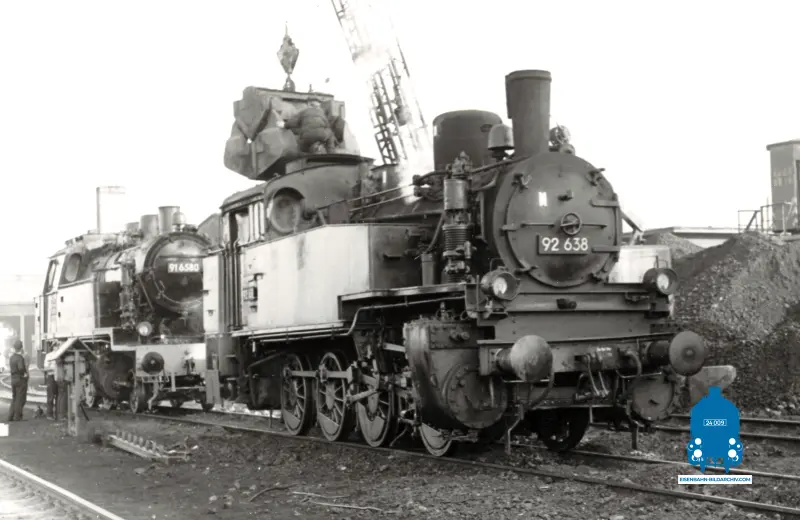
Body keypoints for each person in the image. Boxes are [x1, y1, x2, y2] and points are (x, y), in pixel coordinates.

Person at [7, 340, 28, 422]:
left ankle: (10, 416)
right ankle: (17, 417)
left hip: (13, 378)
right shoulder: (20, 358)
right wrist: (24, 374)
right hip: (20, 379)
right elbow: (21, 368)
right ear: (21, 348)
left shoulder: (11, 357)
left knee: (14, 397)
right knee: (20, 398)